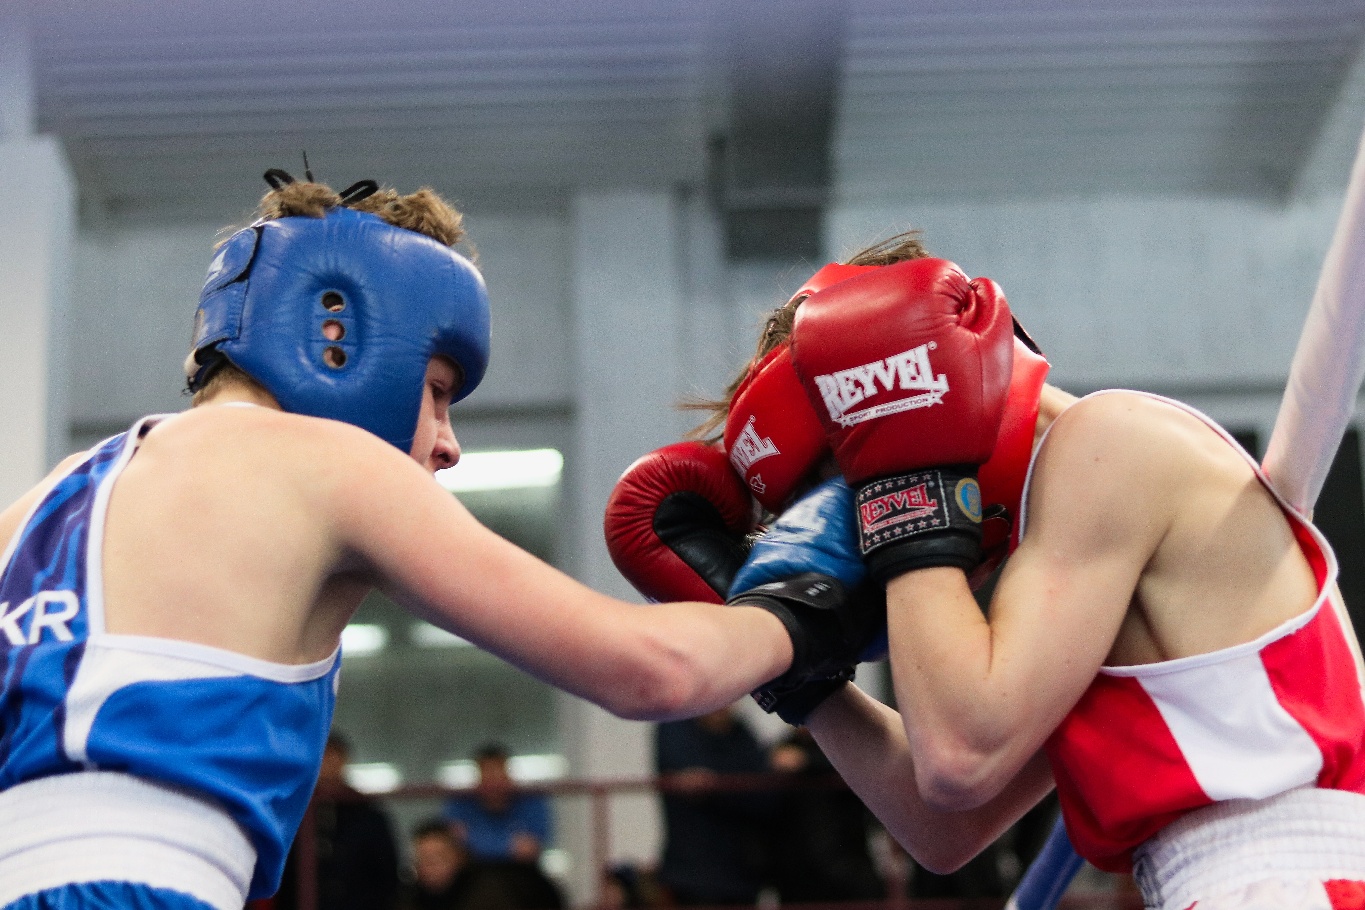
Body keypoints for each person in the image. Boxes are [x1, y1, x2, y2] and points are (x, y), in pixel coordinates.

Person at [0, 172, 878, 910]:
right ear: (336, 337)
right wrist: (803, 591)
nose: (448, 443)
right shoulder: (327, 462)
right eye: (437, 391)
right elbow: (652, 671)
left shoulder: (38, 504)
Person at [663, 234, 1365, 910]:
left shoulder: (1111, 443)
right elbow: (944, 826)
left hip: (1288, 884)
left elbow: (958, 757)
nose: (860, 541)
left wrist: (905, 489)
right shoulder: (1070, 551)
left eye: (848, 495)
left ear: (911, 396)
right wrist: (797, 669)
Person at [654, 705, 777, 907]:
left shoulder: (740, 732)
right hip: (693, 875)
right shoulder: (675, 727)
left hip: (740, 873)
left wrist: (715, 784)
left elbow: (764, 793)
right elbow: (693, 781)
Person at [274, 732, 400, 910]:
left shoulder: (369, 815)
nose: (328, 765)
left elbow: (387, 873)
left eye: (334, 757)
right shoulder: (292, 813)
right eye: (323, 757)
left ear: (345, 761)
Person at [443, 743, 551, 864]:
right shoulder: (460, 801)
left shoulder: (531, 800)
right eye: (487, 773)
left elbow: (529, 849)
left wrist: (474, 841)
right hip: (472, 869)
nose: (493, 780)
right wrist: (510, 845)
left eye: (497, 772)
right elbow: (454, 844)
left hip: (521, 870)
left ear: (508, 774)